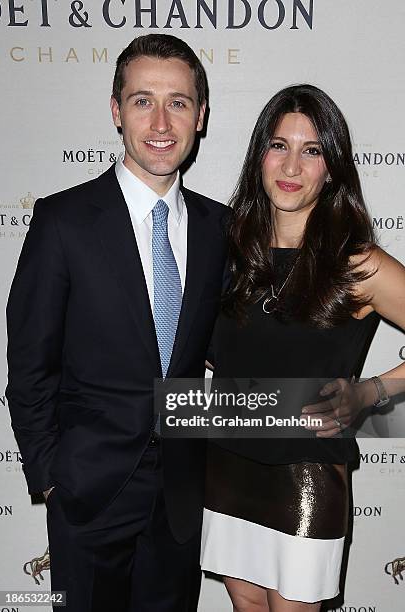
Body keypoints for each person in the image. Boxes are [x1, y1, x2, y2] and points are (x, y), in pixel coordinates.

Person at [6, 34, 229, 612]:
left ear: (200, 116)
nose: (161, 120)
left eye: (178, 102)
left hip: (180, 497)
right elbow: (30, 362)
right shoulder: (63, 221)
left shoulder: (220, 229)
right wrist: (50, 476)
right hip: (87, 491)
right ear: (116, 110)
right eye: (142, 100)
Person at [200, 84, 405, 612]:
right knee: (244, 603)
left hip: (306, 477)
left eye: (311, 149)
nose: (291, 164)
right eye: (278, 144)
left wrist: (373, 391)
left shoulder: (358, 265)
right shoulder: (229, 251)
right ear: (258, 156)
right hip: (227, 462)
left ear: (332, 166)